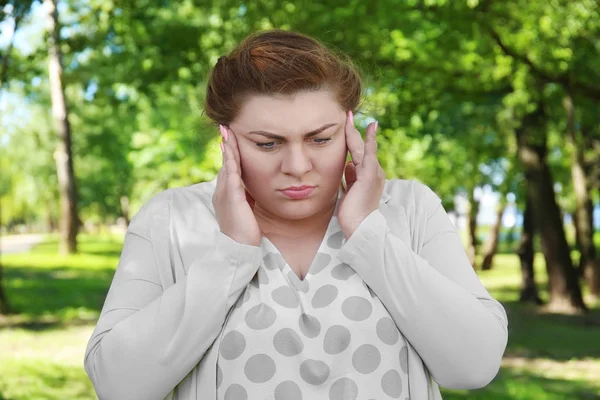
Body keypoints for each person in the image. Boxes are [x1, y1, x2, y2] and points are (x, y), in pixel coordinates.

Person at [84, 29, 508, 400]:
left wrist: (368, 234)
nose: (298, 166)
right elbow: (119, 385)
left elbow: (473, 366)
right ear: (226, 139)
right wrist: (230, 256)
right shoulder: (171, 220)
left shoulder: (410, 210)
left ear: (349, 127)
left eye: (320, 139)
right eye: (268, 144)